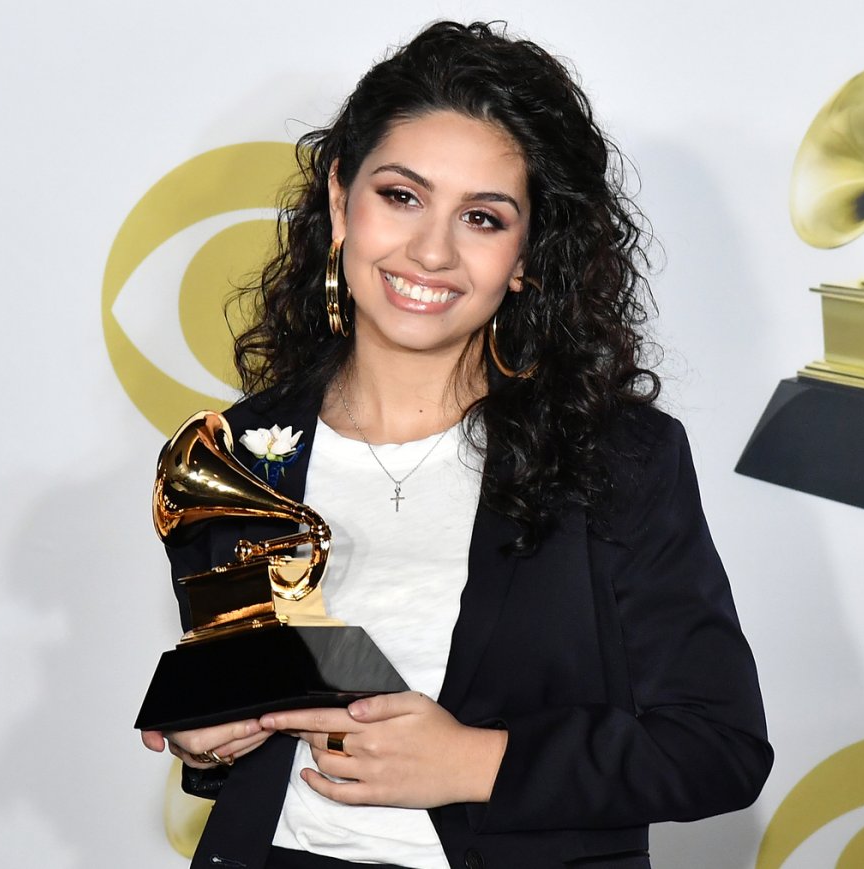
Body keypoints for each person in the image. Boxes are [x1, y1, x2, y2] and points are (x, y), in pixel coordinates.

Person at [141, 20, 772, 869]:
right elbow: (253, 716)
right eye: (401, 196)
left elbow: (717, 746)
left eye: (481, 217)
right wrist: (209, 743)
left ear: (525, 255)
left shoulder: (617, 456)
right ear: (340, 201)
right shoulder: (236, 452)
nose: (431, 250)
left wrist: (476, 762)